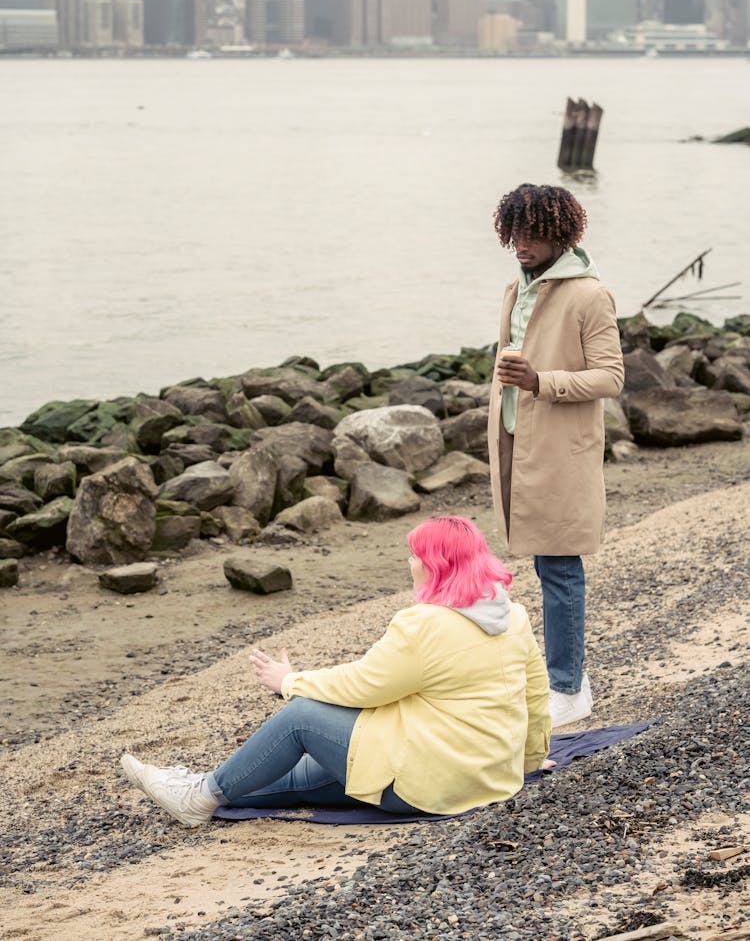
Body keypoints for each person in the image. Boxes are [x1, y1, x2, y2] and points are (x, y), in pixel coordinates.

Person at [120, 516, 551, 827]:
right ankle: (203, 786)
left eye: (415, 555)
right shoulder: (513, 615)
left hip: (432, 785)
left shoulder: (424, 623)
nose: (409, 562)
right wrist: (528, 761)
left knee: (302, 717)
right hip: (489, 777)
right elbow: (534, 695)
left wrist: (288, 681)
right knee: (306, 778)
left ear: (435, 565)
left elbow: (365, 685)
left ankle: (197, 798)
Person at [488, 183, 624, 728]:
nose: (521, 242)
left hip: (561, 448)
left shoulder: (589, 295)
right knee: (541, 561)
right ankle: (558, 678)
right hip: (519, 444)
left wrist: (541, 380)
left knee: (561, 565)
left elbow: (611, 376)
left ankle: (569, 687)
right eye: (514, 232)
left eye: (533, 233)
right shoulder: (516, 288)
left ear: (560, 233)